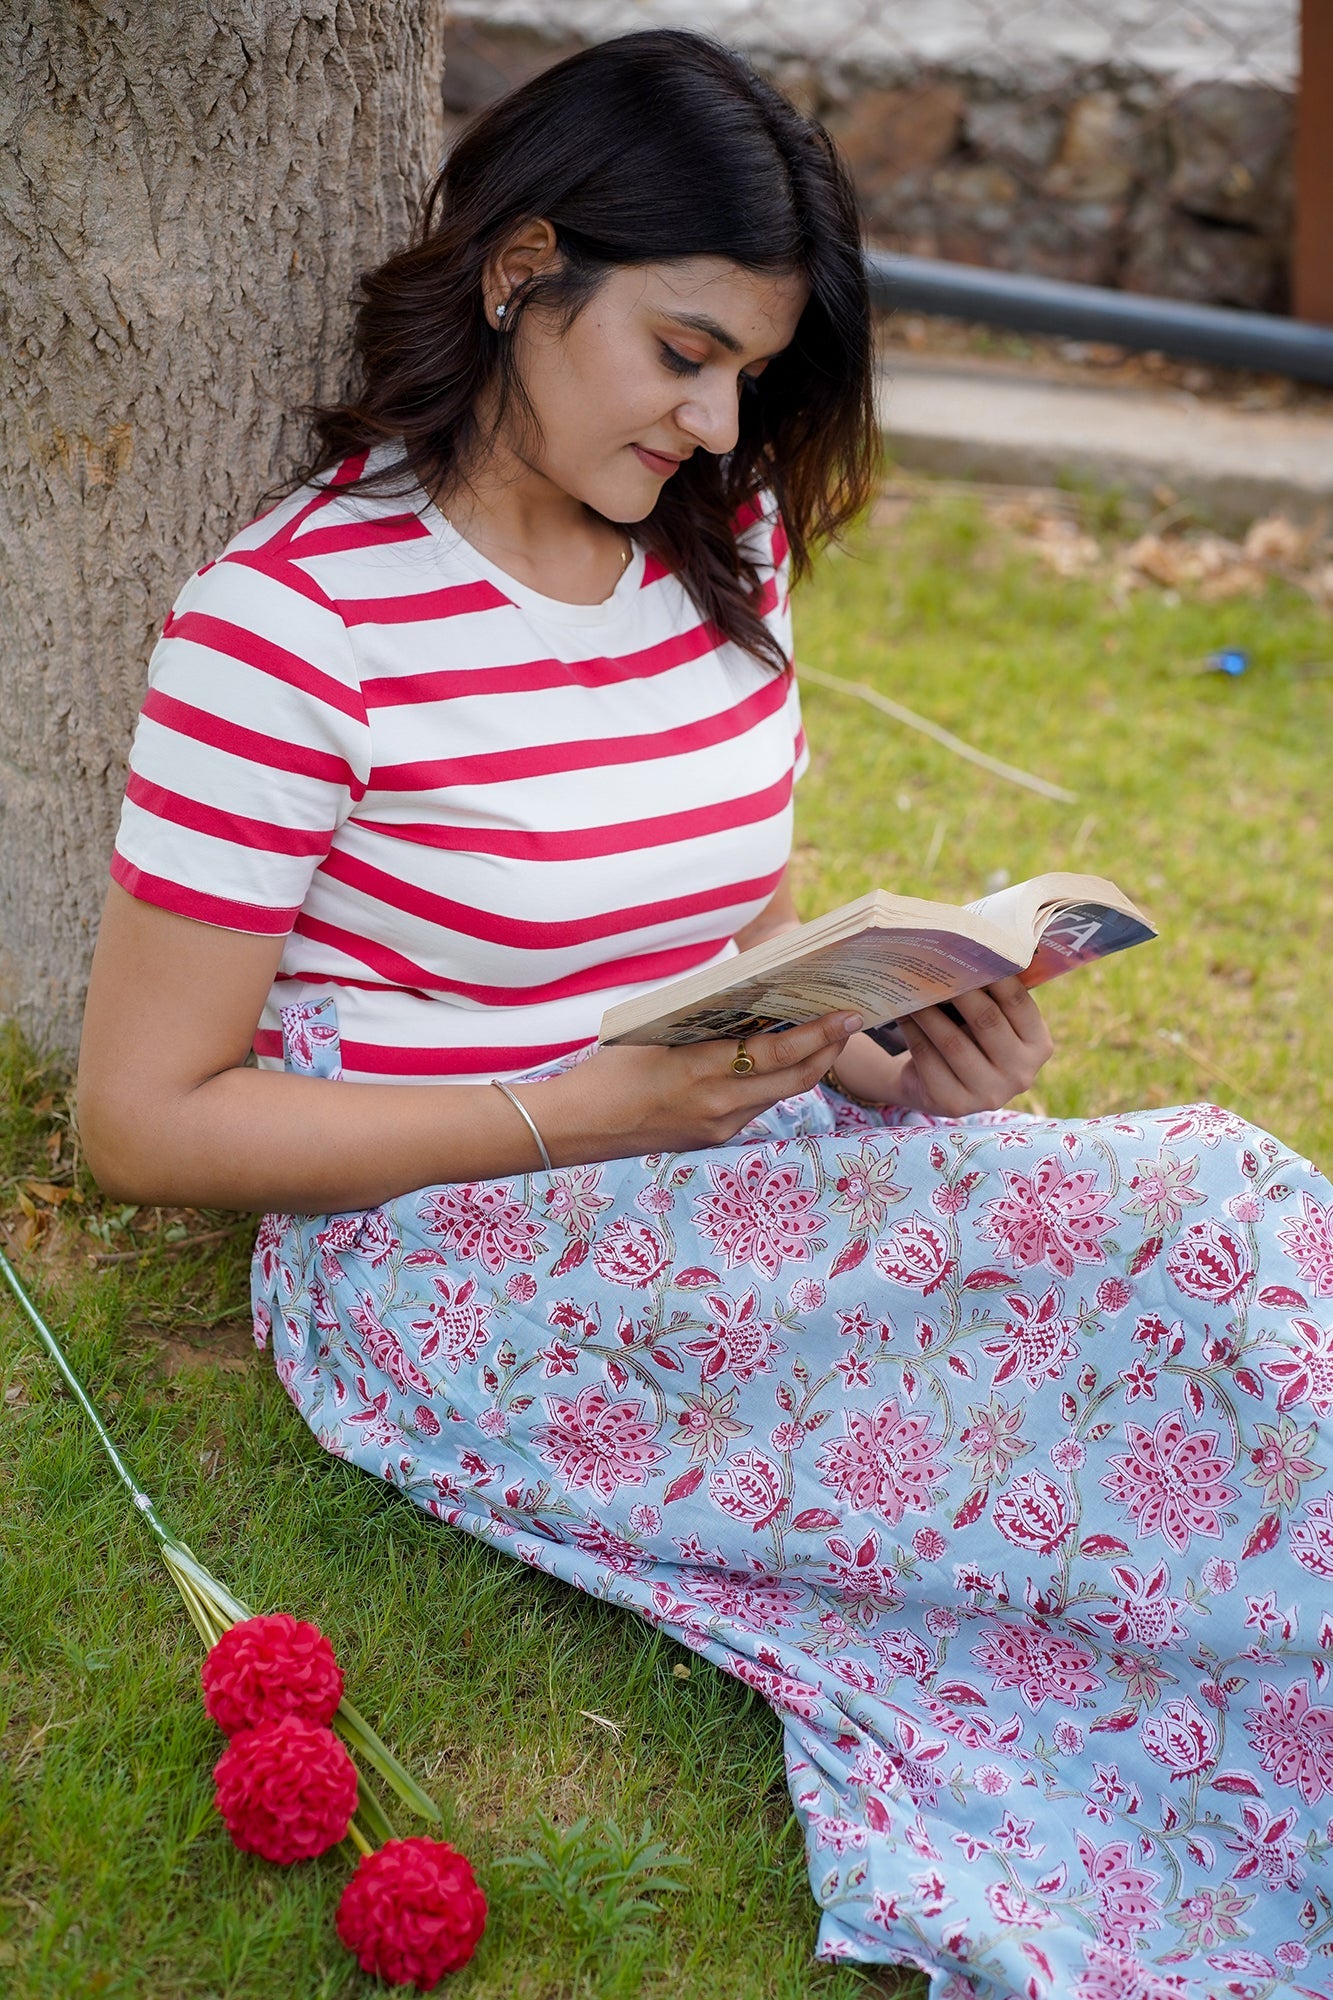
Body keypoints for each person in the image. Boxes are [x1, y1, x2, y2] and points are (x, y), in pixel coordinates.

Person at [79, 31, 1333, 1997]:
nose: (722, 419)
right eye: (681, 351)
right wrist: (570, 1114)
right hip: (465, 1256)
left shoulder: (714, 554)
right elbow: (140, 1122)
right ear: (520, 269)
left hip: (719, 1161)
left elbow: (735, 967)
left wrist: (893, 1048)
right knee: (1202, 1218)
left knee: (1198, 1245)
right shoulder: (289, 630)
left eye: (747, 368)